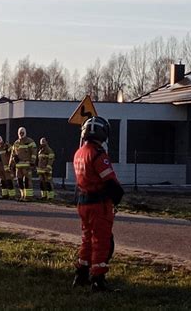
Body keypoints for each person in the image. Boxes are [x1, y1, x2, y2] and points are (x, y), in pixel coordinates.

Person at [72, 116, 124, 292]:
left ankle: (81, 273)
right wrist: (117, 197)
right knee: (102, 241)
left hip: (83, 202)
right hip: (99, 204)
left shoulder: (79, 153)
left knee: (87, 239)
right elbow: (109, 181)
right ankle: (98, 279)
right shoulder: (98, 154)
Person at [10, 127, 37, 201]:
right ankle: (22, 196)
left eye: (22, 132)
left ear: (25, 132)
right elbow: (13, 154)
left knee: (27, 181)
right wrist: (11, 164)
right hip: (18, 166)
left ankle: (29, 197)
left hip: (27, 165)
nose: (21, 134)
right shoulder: (16, 143)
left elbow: (34, 152)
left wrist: (32, 162)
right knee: (20, 181)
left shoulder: (30, 141)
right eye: (20, 132)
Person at [0, 135, 16, 199]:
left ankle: (12, 195)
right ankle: (4, 195)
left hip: (6, 166)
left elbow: (13, 153)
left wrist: (11, 164)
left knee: (9, 181)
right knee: (2, 182)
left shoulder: (6, 146)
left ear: (1, 139)